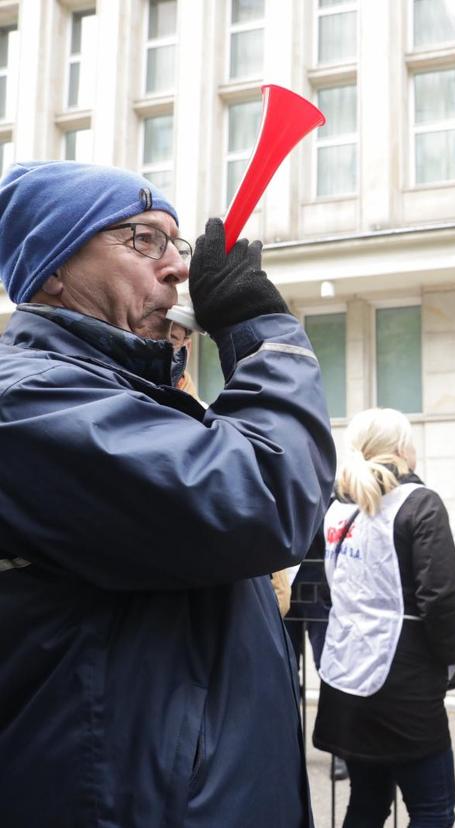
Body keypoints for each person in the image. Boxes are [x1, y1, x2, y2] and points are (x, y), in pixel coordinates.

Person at [0, 161, 335, 827]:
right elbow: (268, 493)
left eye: (175, 245)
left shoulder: (132, 398)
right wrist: (263, 332)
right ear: (52, 269)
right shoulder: (27, 402)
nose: (178, 269)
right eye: (142, 239)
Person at [313, 407, 455, 828]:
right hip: (404, 685)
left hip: (345, 677)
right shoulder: (420, 503)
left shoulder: (338, 511)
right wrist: (449, 660)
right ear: (400, 449)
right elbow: (439, 598)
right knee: (433, 810)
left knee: (368, 801)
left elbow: (330, 590)